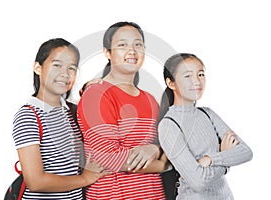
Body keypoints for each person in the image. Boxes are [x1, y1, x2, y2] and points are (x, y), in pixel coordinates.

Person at [77, 21, 167, 199]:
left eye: (138, 44)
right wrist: (163, 165)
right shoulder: (96, 95)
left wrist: (155, 149)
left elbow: (165, 144)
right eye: (122, 44)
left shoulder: (150, 100)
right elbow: (109, 158)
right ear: (107, 52)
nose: (132, 51)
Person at [11, 38, 107, 199]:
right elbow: (35, 182)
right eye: (57, 65)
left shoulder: (71, 112)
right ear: (38, 68)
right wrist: (85, 178)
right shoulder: (28, 116)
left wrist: (90, 92)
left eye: (72, 68)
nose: (65, 74)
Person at [158, 53, 253, 199]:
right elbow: (198, 181)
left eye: (200, 74)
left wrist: (211, 159)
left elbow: (246, 152)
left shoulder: (207, 114)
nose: (197, 81)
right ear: (171, 83)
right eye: (188, 76)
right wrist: (225, 158)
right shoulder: (169, 125)